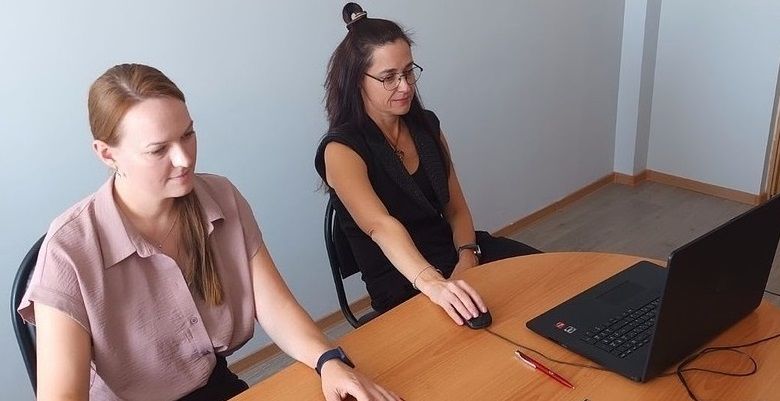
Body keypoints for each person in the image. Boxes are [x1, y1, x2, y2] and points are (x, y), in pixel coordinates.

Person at [18, 64, 400, 401]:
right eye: (158, 150)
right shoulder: (68, 250)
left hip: (213, 386)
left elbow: (276, 307)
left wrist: (329, 361)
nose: (184, 159)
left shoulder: (220, 196)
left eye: (187, 135)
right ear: (106, 153)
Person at [315, 3, 541, 325]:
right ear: (357, 81)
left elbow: (456, 208)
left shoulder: (426, 126)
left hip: (453, 254)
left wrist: (467, 257)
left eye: (408, 71)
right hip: (403, 278)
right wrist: (435, 284)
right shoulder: (340, 149)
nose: (405, 86)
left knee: (549, 280)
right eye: (389, 77)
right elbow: (381, 226)